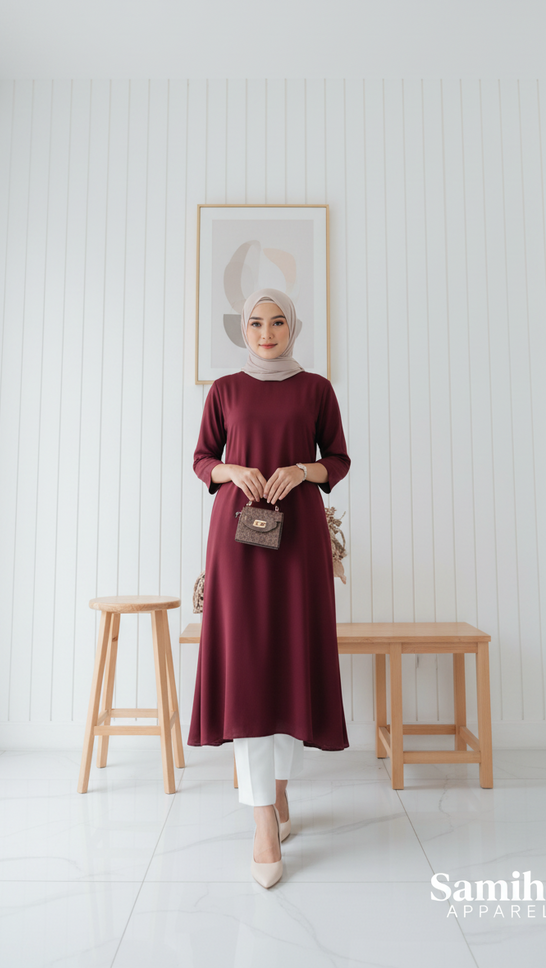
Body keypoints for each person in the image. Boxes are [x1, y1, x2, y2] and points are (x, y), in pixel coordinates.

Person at [189, 286, 351, 888]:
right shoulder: (224, 390)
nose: (266, 332)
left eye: (277, 322)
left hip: (299, 540)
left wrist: (301, 470)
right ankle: (262, 818)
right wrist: (231, 469)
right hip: (238, 539)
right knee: (248, 669)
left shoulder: (317, 389)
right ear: (244, 329)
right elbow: (202, 459)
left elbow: (338, 459)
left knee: (288, 664)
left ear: (293, 327)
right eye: (255, 323)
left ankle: (279, 789)